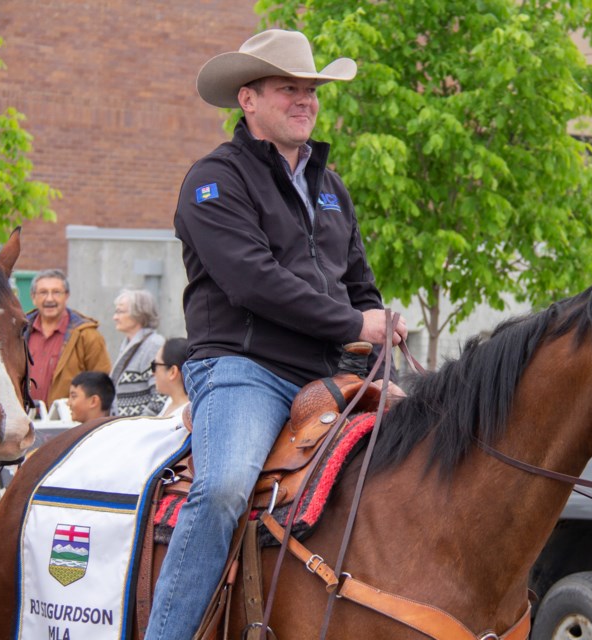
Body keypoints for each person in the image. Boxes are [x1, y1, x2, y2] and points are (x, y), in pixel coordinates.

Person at [145, 29, 407, 639]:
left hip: (332, 372)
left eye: (311, 90)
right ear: (248, 100)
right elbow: (251, 281)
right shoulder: (214, 180)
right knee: (225, 488)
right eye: (289, 88)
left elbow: (360, 285)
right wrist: (352, 323)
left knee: (434, 456)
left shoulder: (330, 187)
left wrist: (378, 328)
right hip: (244, 367)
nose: (306, 100)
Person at [27, 269, 111, 409]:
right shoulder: (18, 333)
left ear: (66, 296)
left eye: (56, 292)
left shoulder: (87, 335)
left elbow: (101, 384)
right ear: (33, 297)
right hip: (24, 420)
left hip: (69, 423)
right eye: (43, 292)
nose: (49, 299)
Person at [109, 288, 166, 416]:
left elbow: (161, 394)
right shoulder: (128, 345)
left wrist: (141, 425)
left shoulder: (152, 345)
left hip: (140, 431)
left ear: (139, 314)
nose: (115, 317)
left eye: (120, 311)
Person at [151, 337, 190, 418]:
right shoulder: (170, 401)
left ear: (172, 372)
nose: (152, 373)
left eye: (154, 365)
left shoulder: (184, 418)